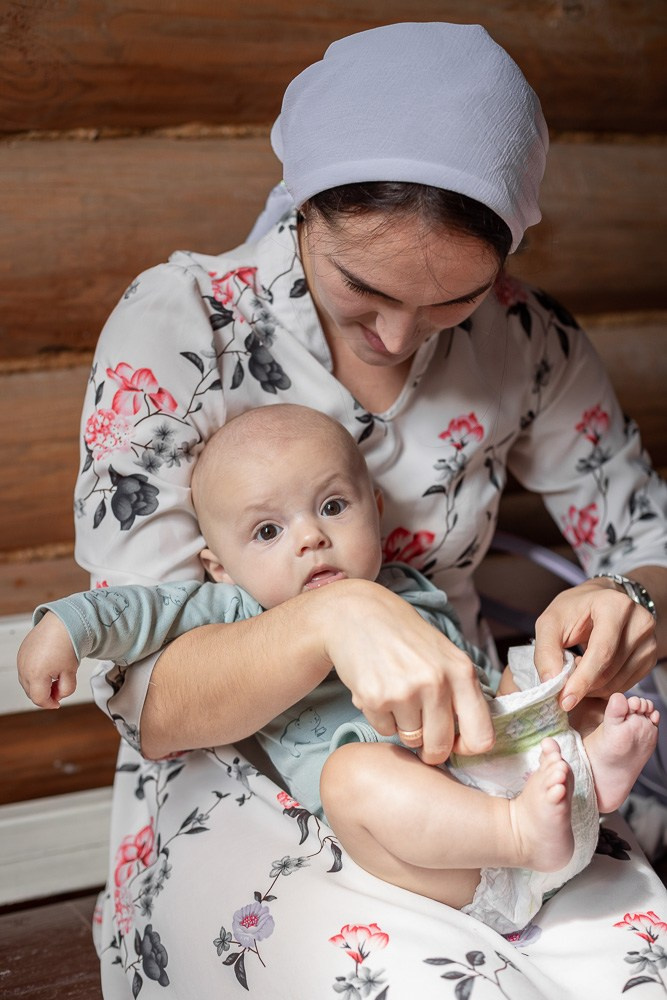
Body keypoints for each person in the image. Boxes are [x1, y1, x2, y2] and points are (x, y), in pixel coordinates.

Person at [25, 20, 667, 999]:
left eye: (452, 300)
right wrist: (332, 611)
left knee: (635, 962)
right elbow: (154, 706)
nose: (399, 337)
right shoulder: (182, 326)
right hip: (243, 767)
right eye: (361, 288)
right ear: (305, 207)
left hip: (468, 747)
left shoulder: (525, 338)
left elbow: (646, 538)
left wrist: (633, 599)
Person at [17, 404, 661, 935]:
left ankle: (590, 773)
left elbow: (480, 692)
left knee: (527, 674)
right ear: (219, 565)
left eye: (331, 507)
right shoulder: (234, 609)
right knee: (352, 776)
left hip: (488, 770)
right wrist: (65, 628)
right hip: (436, 856)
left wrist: (537, 699)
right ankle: (518, 833)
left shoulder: (409, 588)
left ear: (375, 508)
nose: (309, 538)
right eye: (267, 531)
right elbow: (138, 610)